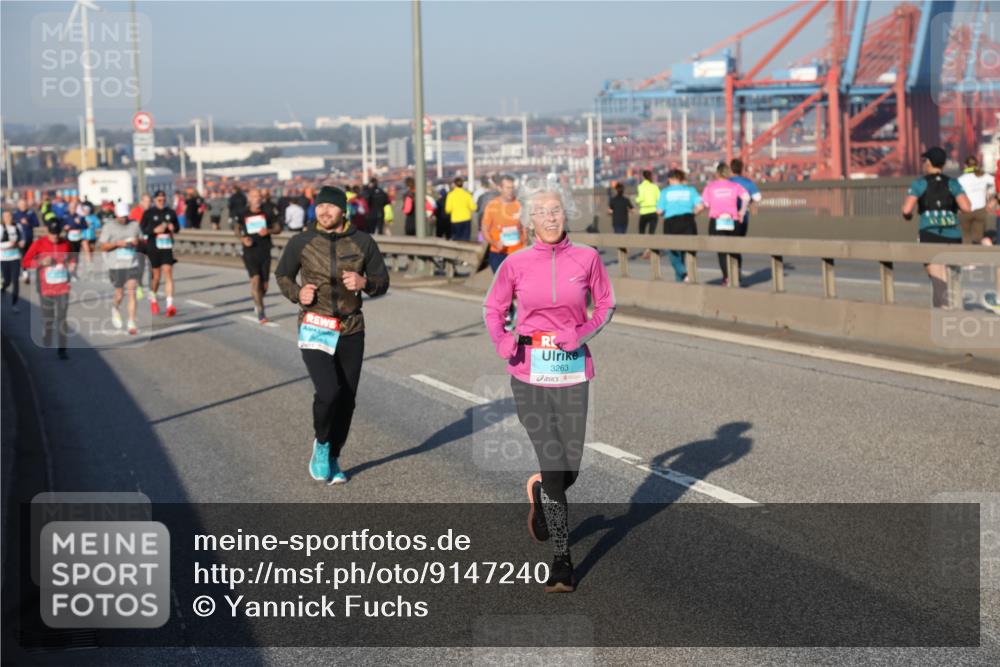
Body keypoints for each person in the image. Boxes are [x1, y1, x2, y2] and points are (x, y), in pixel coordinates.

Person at [483, 182, 615, 593]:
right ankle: (562, 558)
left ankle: (543, 492)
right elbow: (494, 308)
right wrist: (504, 342)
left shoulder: (587, 258)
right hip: (528, 373)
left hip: (573, 372)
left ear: (566, 214)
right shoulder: (516, 264)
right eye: (540, 212)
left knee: (568, 468)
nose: (549, 217)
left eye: (555, 210)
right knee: (554, 463)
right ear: (530, 221)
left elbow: (606, 304)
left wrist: (584, 333)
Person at [275, 186, 390, 485]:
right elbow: (282, 275)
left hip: (352, 328)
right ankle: (322, 445)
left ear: (344, 210)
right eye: (320, 206)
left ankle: (335, 455)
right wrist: (297, 293)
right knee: (329, 391)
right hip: (316, 324)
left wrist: (365, 281)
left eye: (331, 207)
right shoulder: (302, 241)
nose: (324, 212)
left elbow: (382, 281)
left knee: (348, 398)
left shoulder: (363, 242)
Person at [901, 146, 972, 308]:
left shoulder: (920, 183)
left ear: (929, 163)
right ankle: (952, 310)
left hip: (930, 233)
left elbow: (906, 210)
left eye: (925, 160)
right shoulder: (952, 183)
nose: (923, 163)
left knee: (938, 278)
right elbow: (967, 207)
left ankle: (944, 312)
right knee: (951, 276)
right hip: (953, 234)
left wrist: (908, 215)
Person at [21, 218, 76, 359]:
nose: (55, 237)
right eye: (52, 234)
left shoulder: (65, 243)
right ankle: (47, 332)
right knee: (49, 317)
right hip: (45, 287)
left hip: (63, 286)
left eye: (57, 233)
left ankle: (62, 349)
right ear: (47, 231)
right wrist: (40, 261)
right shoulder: (39, 244)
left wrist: (72, 264)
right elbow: (25, 262)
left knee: (62, 317)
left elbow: (73, 257)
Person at [235, 188, 282, 323]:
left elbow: (278, 228)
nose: (257, 199)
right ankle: (261, 312)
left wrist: (268, 230)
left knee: (264, 286)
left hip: (265, 250)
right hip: (250, 251)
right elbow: (236, 229)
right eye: (254, 196)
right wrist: (243, 238)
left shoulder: (268, 211)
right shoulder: (243, 213)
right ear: (249, 198)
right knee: (255, 280)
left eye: (259, 196)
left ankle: (257, 300)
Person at [701, 162, 751, 286]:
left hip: (717, 220)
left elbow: (706, 204)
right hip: (733, 220)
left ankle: (727, 277)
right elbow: (746, 197)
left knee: (721, 251)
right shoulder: (735, 186)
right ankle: (736, 276)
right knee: (733, 249)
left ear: (717, 174)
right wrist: (742, 212)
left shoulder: (710, 187)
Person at [98, 205, 143, 335]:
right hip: (115, 265)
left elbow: (141, 240)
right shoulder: (109, 227)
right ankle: (115, 307)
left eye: (125, 216)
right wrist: (117, 244)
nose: (123, 218)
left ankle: (131, 323)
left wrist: (137, 242)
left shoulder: (134, 225)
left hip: (131, 263)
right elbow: (103, 247)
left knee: (132, 291)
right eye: (121, 216)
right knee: (119, 294)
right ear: (116, 214)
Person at [656, 169, 704, 282]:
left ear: (670, 179)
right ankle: (680, 284)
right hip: (688, 221)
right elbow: (700, 207)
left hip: (672, 223)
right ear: (681, 178)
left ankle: (684, 273)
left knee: (673, 254)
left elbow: (659, 211)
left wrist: (665, 212)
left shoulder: (665, 192)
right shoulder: (690, 190)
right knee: (683, 253)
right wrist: (692, 214)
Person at [140, 190, 180, 317]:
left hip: (167, 247)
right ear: (154, 200)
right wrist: (153, 230)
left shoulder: (170, 212)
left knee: (168, 272)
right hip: (153, 247)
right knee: (156, 277)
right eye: (159, 200)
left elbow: (178, 228)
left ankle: (170, 305)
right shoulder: (148, 213)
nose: (162, 202)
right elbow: (142, 230)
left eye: (163, 200)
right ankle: (153, 298)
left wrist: (174, 227)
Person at [481, 174, 524, 272]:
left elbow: (525, 227)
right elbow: (484, 230)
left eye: (512, 187)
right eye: (507, 188)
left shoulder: (519, 205)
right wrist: (495, 243)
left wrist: (525, 242)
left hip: (518, 252)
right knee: (503, 284)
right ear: (500, 188)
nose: (510, 190)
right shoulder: (491, 206)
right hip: (498, 252)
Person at [729, 159, 763, 260]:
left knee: (727, 244)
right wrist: (751, 202)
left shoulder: (727, 182)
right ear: (741, 169)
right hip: (743, 218)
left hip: (727, 217)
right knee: (737, 245)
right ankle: (736, 269)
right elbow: (758, 197)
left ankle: (728, 272)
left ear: (730, 169)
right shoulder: (747, 182)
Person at [957, 156, 994, 245]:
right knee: (978, 239)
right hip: (980, 211)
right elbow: (997, 182)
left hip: (965, 211)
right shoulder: (984, 176)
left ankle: (967, 258)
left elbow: (956, 195)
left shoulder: (961, 179)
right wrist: (990, 191)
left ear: (965, 166)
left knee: (966, 238)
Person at [1, 209, 26, 312]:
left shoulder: (17, 226)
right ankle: (2, 289)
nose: (8, 218)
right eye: (5, 216)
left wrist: (22, 242)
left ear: (12, 217)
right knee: (7, 281)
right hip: (3, 258)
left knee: (16, 281)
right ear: (2, 218)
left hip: (15, 257)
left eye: (9, 216)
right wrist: (9, 244)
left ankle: (14, 304)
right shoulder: (1, 228)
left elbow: (22, 238)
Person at [12, 199, 40, 284]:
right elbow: (11, 224)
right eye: (21, 205)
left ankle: (30, 272)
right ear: (18, 206)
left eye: (24, 205)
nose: (23, 206)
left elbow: (37, 224)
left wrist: (28, 223)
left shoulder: (31, 213)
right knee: (23, 256)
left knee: (31, 256)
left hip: (29, 238)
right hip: (20, 239)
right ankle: (25, 274)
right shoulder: (15, 214)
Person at [636, 169, 660, 259]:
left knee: (641, 232)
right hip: (654, 211)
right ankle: (650, 250)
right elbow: (659, 198)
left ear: (643, 177)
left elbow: (640, 199)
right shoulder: (655, 187)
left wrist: (636, 200)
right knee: (651, 233)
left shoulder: (641, 186)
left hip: (644, 212)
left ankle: (646, 249)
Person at [445, 177, 476, 241]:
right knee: (465, 240)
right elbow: (474, 208)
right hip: (466, 219)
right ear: (462, 184)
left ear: (454, 184)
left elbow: (448, 210)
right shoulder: (467, 194)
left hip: (455, 220)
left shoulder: (450, 195)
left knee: (456, 239)